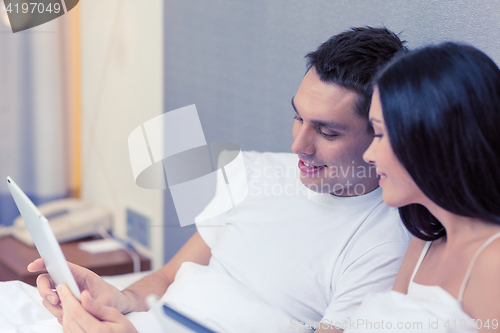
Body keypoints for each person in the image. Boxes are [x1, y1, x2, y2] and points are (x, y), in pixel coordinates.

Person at [28, 27, 411, 333]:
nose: (298, 145)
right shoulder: (258, 171)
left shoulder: (382, 242)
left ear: (381, 132)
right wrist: (115, 299)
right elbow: (164, 279)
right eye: (298, 117)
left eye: (327, 133)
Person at [343, 42, 500, 332]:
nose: (369, 155)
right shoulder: (425, 243)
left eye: (379, 134)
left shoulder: (493, 262)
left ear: (431, 135)